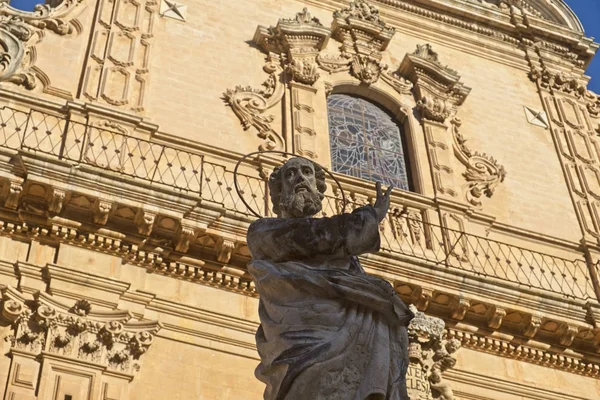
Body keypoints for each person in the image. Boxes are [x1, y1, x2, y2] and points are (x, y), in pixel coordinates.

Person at [247, 157, 414, 400]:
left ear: (319, 188)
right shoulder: (263, 232)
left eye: (307, 172)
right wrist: (370, 215)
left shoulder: (346, 258)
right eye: (291, 174)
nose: (300, 178)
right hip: (301, 339)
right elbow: (320, 236)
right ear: (279, 190)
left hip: (348, 332)